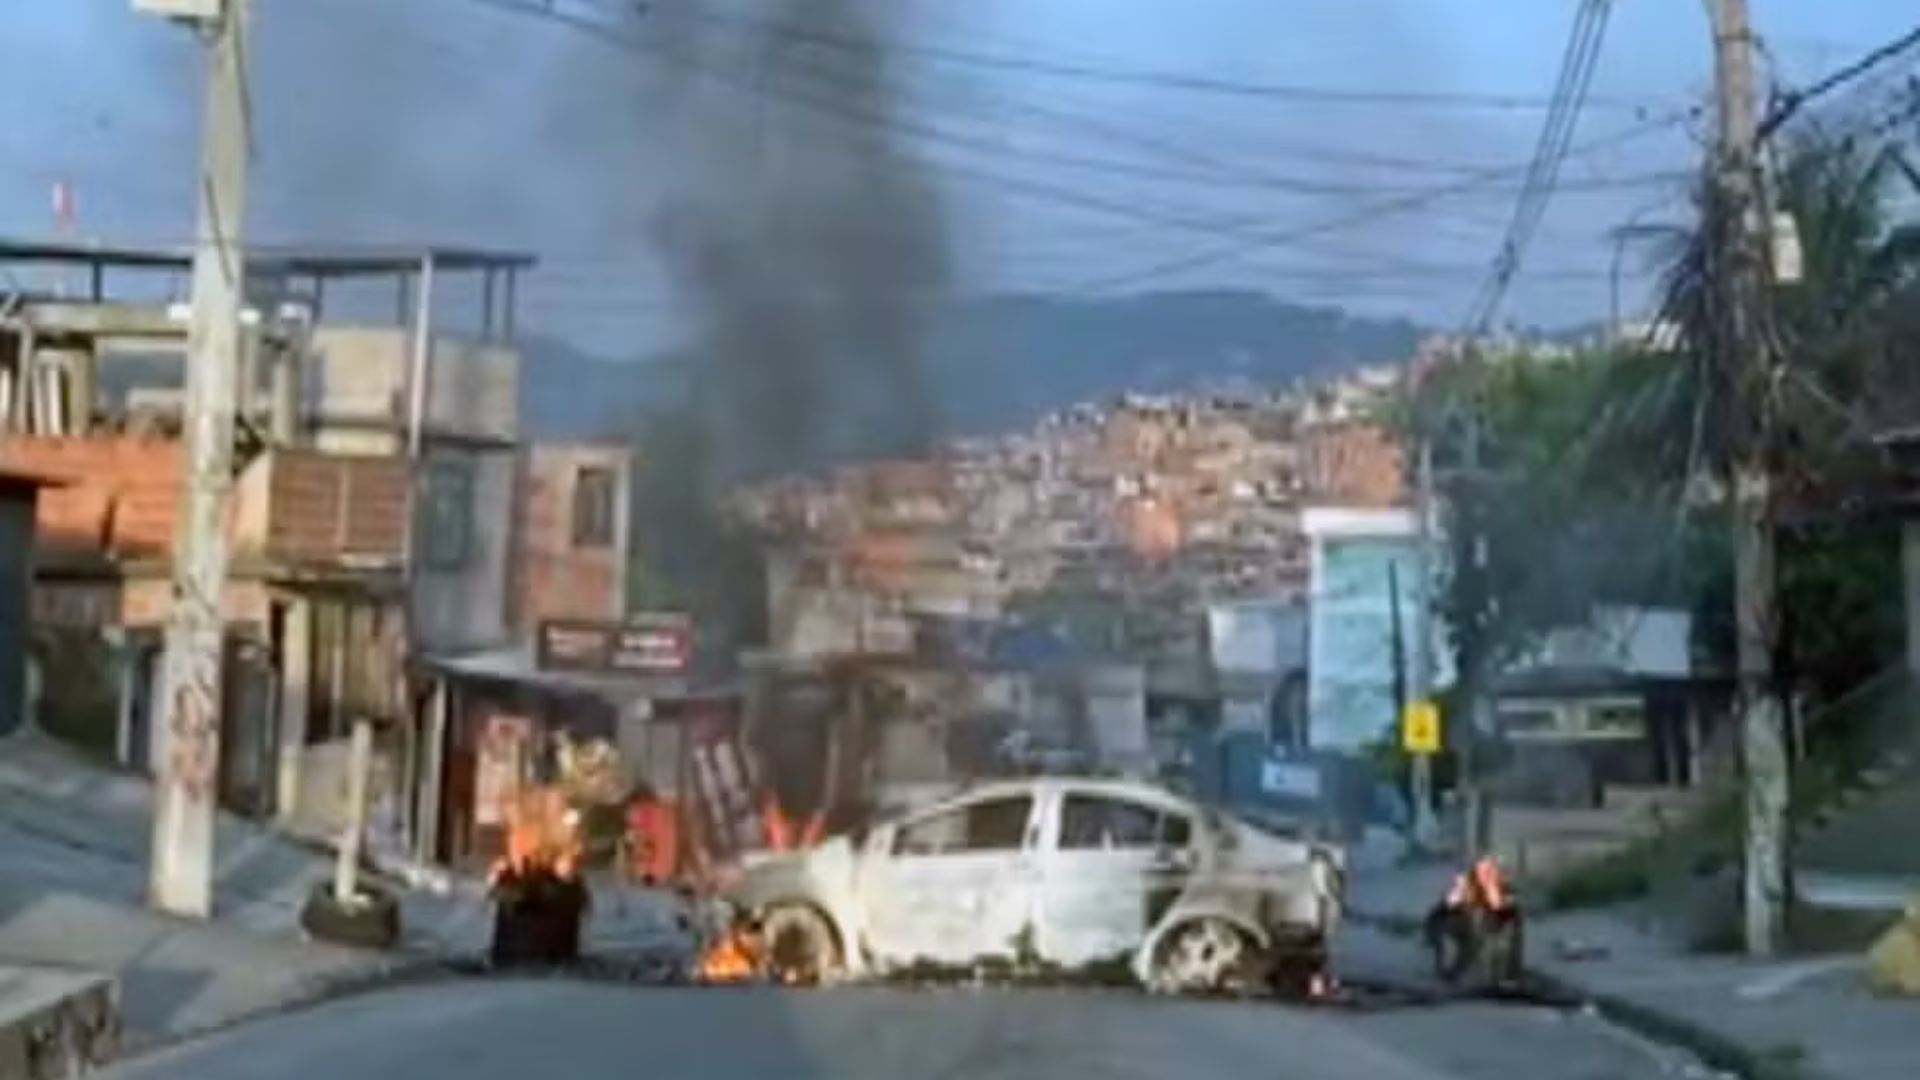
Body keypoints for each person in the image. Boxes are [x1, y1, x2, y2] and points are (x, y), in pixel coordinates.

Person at [1423, 855, 1524, 986]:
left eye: (1492, 871)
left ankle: (1505, 974)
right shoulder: (1464, 889)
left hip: (1487, 928)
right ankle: (1453, 973)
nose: (1488, 875)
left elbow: (1510, 917)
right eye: (1484, 871)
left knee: (1496, 933)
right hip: (1457, 927)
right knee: (1471, 929)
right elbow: (1440, 914)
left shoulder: (1503, 890)